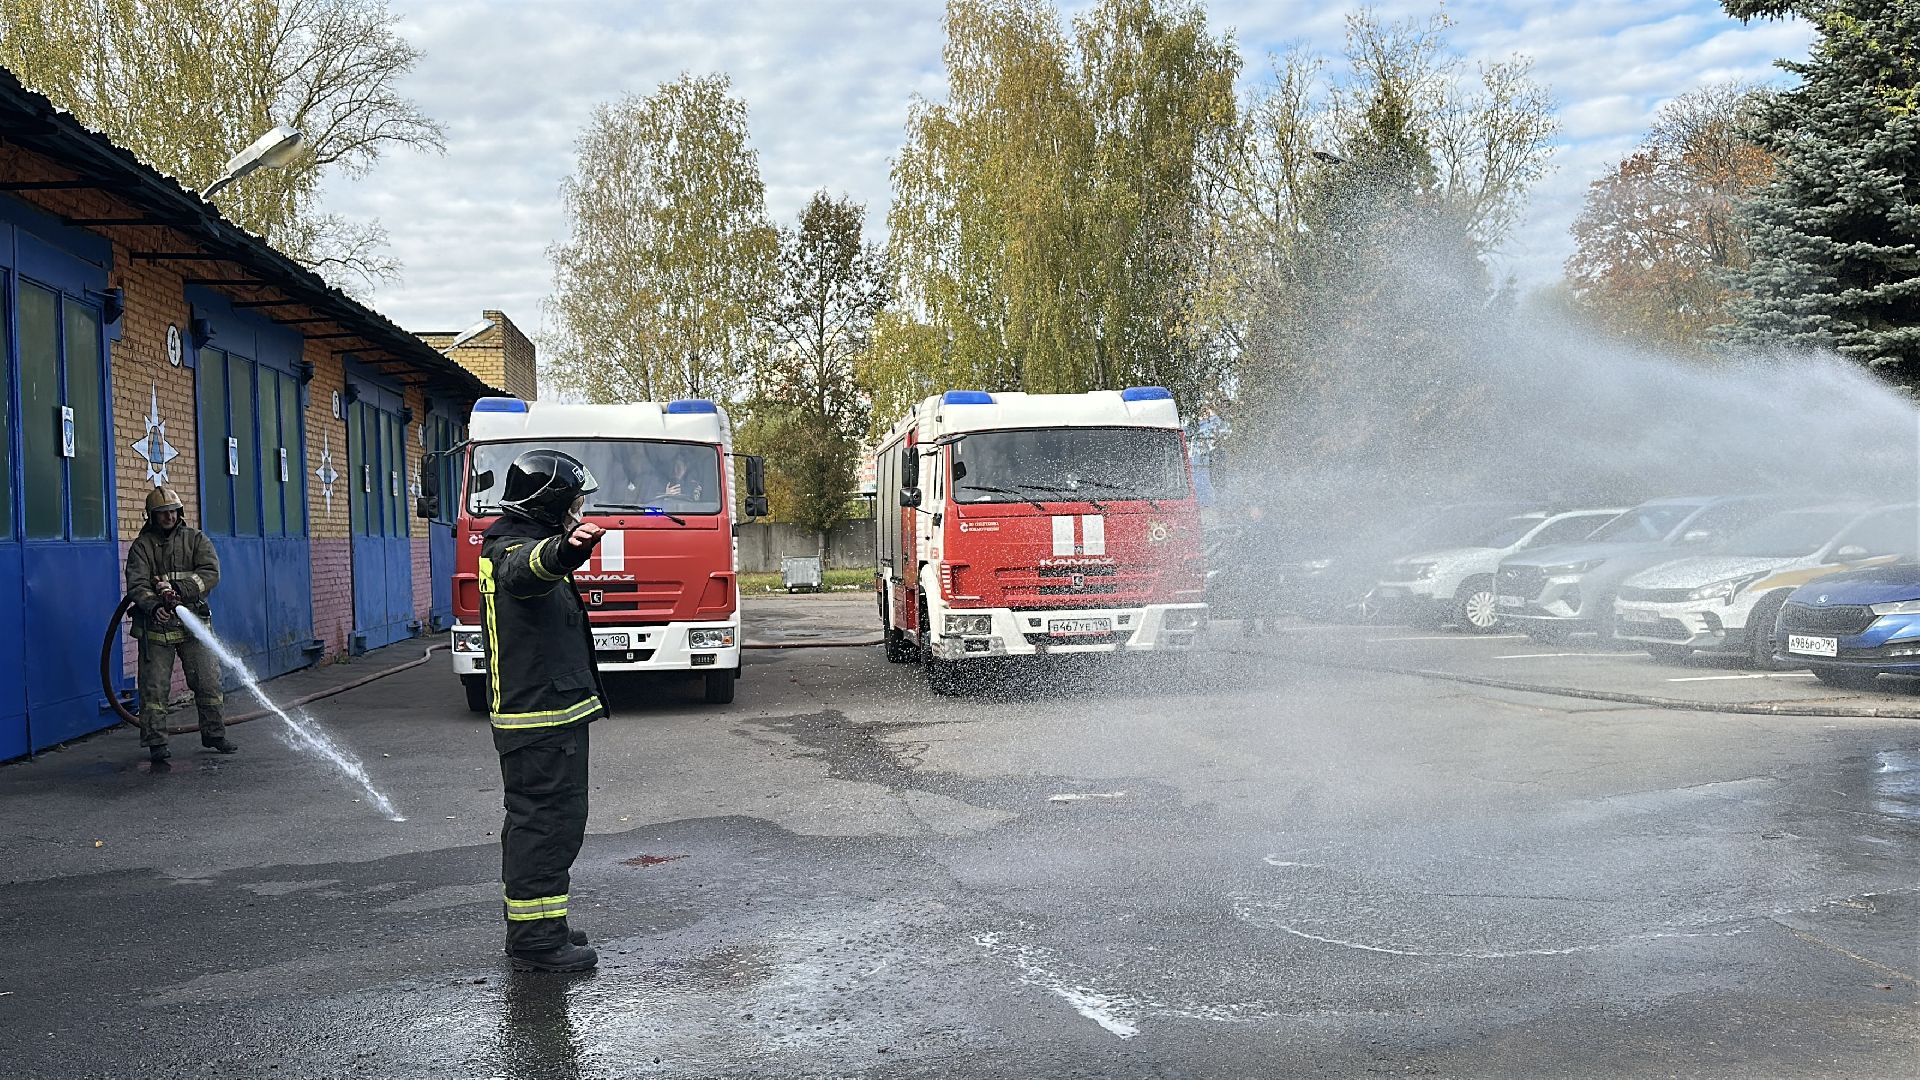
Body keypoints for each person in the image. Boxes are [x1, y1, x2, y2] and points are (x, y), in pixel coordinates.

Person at [481, 449, 609, 973]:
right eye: (574, 503)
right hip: (539, 718)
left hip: (546, 712)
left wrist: (560, 552)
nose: (580, 510)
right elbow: (526, 573)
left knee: (549, 821)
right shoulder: (515, 546)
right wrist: (562, 552)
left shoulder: (517, 537)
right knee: (546, 824)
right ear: (552, 504)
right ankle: (537, 941)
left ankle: (539, 926)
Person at [125, 486, 233, 763]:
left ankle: (214, 734)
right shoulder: (142, 546)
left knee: (208, 682)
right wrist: (154, 605)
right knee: (154, 690)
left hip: (193, 623)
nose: (168, 517)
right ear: (151, 516)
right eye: (162, 513)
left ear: (180, 512)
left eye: (172, 512)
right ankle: (156, 744)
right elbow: (136, 585)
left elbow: (210, 573)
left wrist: (178, 589)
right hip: (156, 630)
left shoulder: (196, 540)